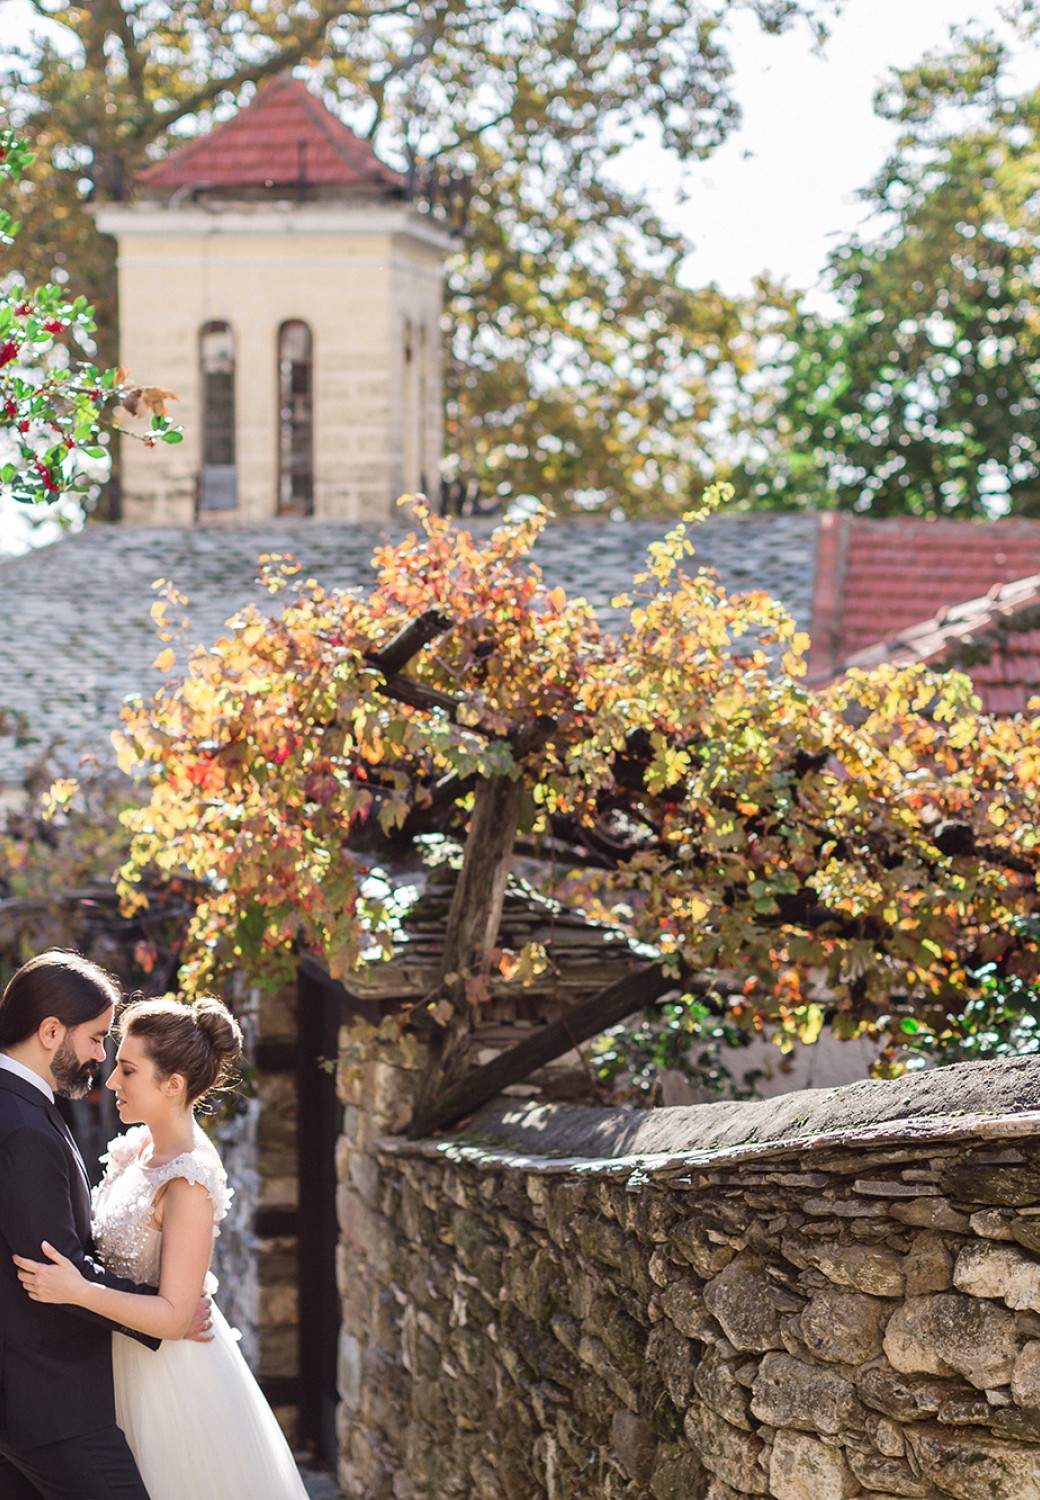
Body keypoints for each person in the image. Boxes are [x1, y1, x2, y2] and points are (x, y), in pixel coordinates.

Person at [14, 992, 310, 1500]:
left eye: (127, 1070)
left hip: (170, 1378)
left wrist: (74, 1289)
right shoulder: (138, 1147)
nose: (109, 1082)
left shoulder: (190, 1179)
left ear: (172, 1085)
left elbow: (175, 1317)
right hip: (114, 1360)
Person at [0, 948, 211, 1500]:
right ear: (51, 1031)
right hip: (51, 1402)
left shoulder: (24, 1105)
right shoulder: (22, 1125)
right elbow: (53, 1272)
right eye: (95, 1039)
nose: (101, 1057)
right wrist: (166, 1313)